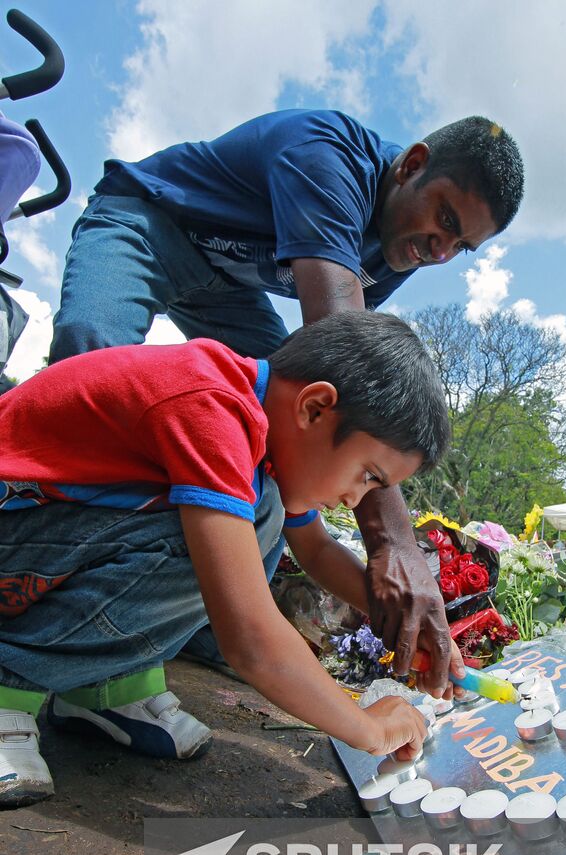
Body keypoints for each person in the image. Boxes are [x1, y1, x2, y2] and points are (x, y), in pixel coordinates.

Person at [48, 108, 524, 696]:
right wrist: (393, 542)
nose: (440, 251)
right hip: (149, 221)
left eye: (461, 245)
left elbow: (343, 386)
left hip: (226, 292)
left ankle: (201, 620)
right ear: (413, 165)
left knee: (288, 430)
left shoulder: (401, 246)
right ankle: (47, 591)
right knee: (89, 356)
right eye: (443, 218)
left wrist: (397, 616)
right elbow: (346, 365)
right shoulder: (328, 157)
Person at [0, 311, 461, 808]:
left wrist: (406, 625)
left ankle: (102, 684)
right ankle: (10, 681)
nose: (355, 498)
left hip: (38, 544)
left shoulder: (259, 432)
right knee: (246, 519)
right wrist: (368, 728)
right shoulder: (211, 405)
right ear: (315, 408)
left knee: (262, 510)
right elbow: (250, 639)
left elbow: (320, 552)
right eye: (368, 475)